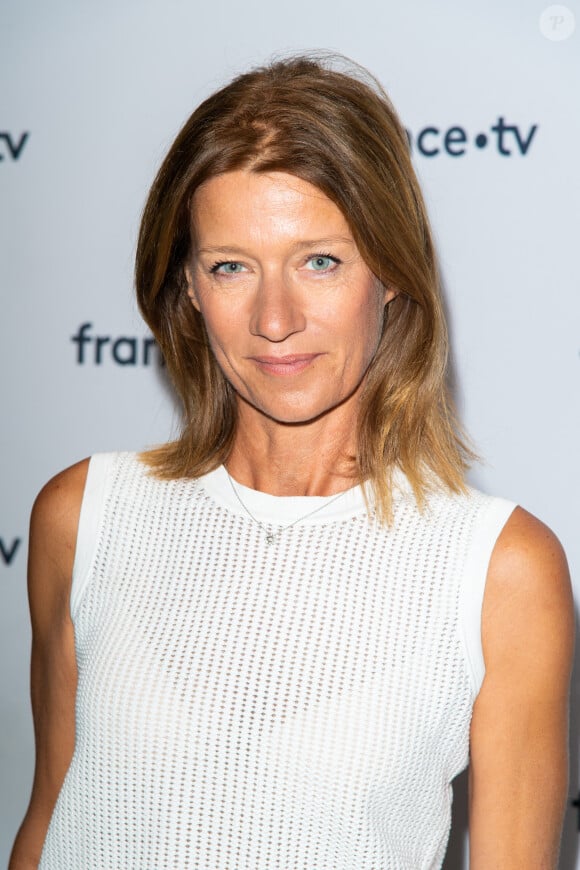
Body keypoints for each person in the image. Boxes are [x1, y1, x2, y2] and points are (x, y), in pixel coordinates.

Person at [10, 54, 573, 870]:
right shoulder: (84, 513)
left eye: (320, 261)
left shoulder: (499, 571)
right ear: (189, 290)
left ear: (389, 276)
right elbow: (51, 818)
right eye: (231, 266)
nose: (275, 319)